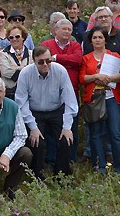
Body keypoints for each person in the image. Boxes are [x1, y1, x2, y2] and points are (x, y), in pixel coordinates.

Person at [15, 45, 78, 179]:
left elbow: (70, 100)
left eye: (48, 60)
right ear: (34, 62)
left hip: (56, 110)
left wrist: (67, 127)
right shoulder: (25, 73)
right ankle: (37, 176)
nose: (45, 64)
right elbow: (21, 103)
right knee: (37, 142)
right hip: (34, 112)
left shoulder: (60, 71)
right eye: (41, 62)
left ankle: (61, 176)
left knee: (65, 140)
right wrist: (33, 127)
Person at [79, 27, 120, 174]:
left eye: (100, 37)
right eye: (95, 38)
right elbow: (82, 78)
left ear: (106, 39)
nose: (98, 40)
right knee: (96, 134)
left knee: (116, 134)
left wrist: (109, 78)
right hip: (94, 99)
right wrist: (96, 77)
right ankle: (99, 166)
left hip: (112, 98)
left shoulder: (115, 56)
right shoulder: (86, 58)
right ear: (91, 41)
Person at [41, 19, 83, 161]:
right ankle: (52, 159)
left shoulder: (76, 45)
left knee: (72, 126)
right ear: (56, 30)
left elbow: (77, 60)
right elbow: (44, 62)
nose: (66, 32)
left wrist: (57, 58)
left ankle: (71, 158)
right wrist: (66, 62)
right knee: (53, 129)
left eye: (69, 30)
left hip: (72, 91)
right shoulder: (46, 45)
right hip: (51, 93)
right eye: (63, 29)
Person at [0, 25, 33, 99]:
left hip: (28, 93)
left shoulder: (31, 54)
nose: (14, 39)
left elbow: (33, 72)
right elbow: (5, 72)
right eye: (11, 37)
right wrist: (24, 68)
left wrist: (15, 68)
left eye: (17, 36)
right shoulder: (3, 53)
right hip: (9, 93)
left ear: (23, 37)